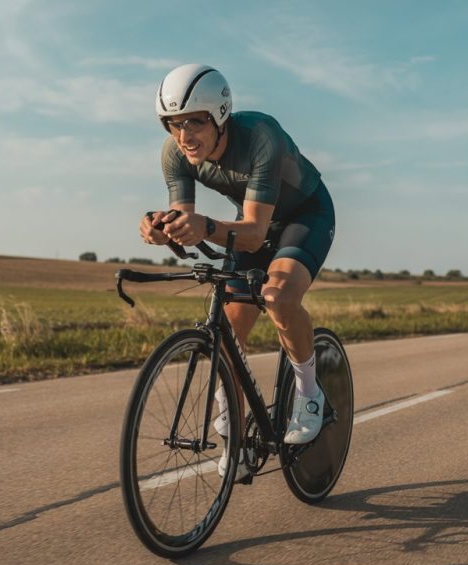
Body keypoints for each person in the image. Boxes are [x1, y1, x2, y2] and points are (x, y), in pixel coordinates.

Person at [138, 64, 336, 478]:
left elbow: (254, 234)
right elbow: (186, 220)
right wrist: (165, 229)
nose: (184, 135)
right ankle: (237, 442)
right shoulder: (175, 153)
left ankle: (309, 392)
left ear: (222, 114)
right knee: (227, 330)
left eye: (195, 122)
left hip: (304, 215)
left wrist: (206, 227)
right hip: (247, 225)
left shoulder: (261, 135)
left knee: (278, 295)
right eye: (173, 124)